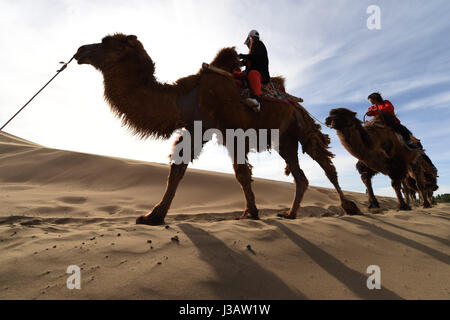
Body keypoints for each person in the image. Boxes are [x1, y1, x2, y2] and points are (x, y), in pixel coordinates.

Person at [238, 30, 270, 111]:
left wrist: (242, 56)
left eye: (249, 41)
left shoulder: (259, 45)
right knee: (238, 74)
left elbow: (254, 57)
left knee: (253, 74)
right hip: (252, 71)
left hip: (261, 74)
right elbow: (248, 60)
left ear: (251, 38)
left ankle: (256, 100)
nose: (248, 45)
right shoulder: (253, 50)